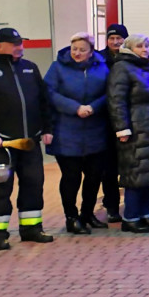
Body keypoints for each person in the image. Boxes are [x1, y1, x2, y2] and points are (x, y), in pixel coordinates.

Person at [0, 27, 54, 250]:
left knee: (33, 184)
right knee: (0, 189)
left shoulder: (30, 68)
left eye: (21, 43)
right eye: (14, 43)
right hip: (2, 143)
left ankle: (31, 228)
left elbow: (43, 102)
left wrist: (47, 128)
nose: (20, 47)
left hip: (30, 142)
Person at [107, 34, 149, 233]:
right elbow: (116, 101)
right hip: (136, 131)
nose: (145, 49)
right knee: (136, 176)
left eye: (146, 46)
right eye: (140, 46)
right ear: (129, 49)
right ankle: (130, 218)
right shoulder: (121, 68)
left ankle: (146, 215)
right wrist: (122, 128)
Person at [44, 32, 110, 235]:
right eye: (74, 49)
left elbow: (109, 92)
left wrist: (93, 107)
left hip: (95, 130)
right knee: (71, 177)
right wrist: (75, 108)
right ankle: (71, 217)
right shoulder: (57, 67)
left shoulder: (102, 67)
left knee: (94, 176)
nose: (77, 53)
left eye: (82, 50)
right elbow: (49, 93)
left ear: (91, 51)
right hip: (66, 131)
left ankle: (87, 214)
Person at [97, 22, 129, 222]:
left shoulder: (131, 58)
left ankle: (132, 206)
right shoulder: (99, 60)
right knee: (108, 169)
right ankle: (112, 207)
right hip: (106, 122)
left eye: (119, 38)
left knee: (129, 166)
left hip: (127, 121)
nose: (115, 42)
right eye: (112, 38)